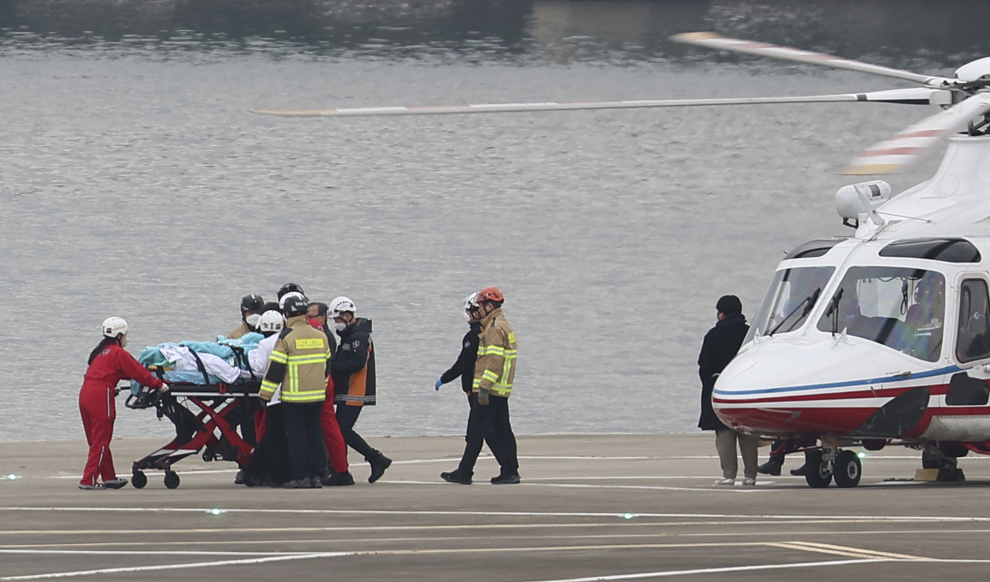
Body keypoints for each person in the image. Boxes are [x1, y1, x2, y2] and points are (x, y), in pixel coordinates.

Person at [79, 317, 169, 490]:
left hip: (85, 395)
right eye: (125, 335)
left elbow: (122, 373)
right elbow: (139, 373)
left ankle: (109, 476)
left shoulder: (100, 352)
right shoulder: (118, 353)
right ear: (119, 335)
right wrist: (160, 384)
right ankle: (88, 480)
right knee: (102, 441)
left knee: (96, 440)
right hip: (100, 397)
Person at [441, 286, 519, 485]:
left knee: (476, 430)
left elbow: (494, 360)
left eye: (482, 305)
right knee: (502, 430)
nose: (480, 308)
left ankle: (465, 471)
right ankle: (510, 470)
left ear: (490, 306)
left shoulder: (493, 328)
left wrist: (483, 387)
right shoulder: (501, 324)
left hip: (490, 390)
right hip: (500, 390)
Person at [259, 294, 331, 489]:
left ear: (287, 313)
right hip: (316, 396)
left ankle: (300, 477)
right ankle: (317, 476)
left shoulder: (286, 337)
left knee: (296, 438)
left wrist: (265, 395)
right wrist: (321, 388)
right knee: (316, 435)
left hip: (294, 398)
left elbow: (275, 370)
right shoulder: (321, 336)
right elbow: (327, 367)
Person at [329, 296, 392, 483]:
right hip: (347, 390)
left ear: (348, 316)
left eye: (338, 320)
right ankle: (342, 467)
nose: (337, 324)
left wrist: (332, 367)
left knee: (343, 429)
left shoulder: (359, 336)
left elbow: (357, 363)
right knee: (341, 430)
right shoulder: (351, 335)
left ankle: (375, 457)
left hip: (355, 390)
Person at [698, 295, 758, 486]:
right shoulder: (749, 334)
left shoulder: (714, 335)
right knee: (747, 434)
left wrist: (709, 384)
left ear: (721, 313)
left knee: (724, 434)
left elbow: (704, 365)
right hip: (748, 387)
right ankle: (751, 476)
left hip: (720, 387)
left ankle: (729, 475)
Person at [435, 293, 502, 464]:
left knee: (479, 430)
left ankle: (470, 470)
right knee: (482, 430)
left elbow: (463, 363)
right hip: (478, 388)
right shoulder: (483, 331)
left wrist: (444, 378)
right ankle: (504, 467)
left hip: (477, 388)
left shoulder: (474, 336)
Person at [244, 310, 293, 486]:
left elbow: (259, 368)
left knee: (274, 436)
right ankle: (262, 472)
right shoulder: (288, 339)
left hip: (273, 394)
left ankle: (271, 473)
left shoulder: (264, 344)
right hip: (291, 393)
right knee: (280, 435)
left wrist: (247, 355)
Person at [308, 301, 353, 486]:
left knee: (325, 428)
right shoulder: (324, 335)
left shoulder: (318, 334)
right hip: (324, 384)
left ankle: (334, 468)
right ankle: (338, 468)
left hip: (318, 385)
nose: (308, 318)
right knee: (329, 428)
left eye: (311, 315)